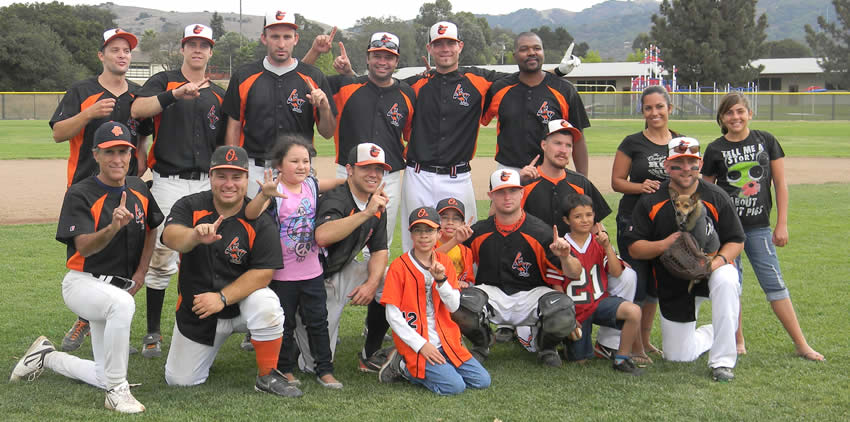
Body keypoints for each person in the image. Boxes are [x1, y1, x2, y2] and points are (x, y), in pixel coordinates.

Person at [10, 121, 162, 414]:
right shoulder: (81, 193)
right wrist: (113, 227)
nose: (117, 159)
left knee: (103, 371)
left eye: (123, 151)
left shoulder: (139, 187)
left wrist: (142, 271)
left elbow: (152, 227)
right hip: (82, 284)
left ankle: (47, 357)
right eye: (109, 152)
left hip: (116, 287)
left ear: (131, 155)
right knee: (121, 305)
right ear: (96, 155)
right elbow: (84, 247)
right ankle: (117, 391)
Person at [399, 22, 580, 252]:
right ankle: (412, 285)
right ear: (430, 48)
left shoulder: (479, 79)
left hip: (458, 176)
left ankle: (461, 287)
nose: (445, 49)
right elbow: (382, 88)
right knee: (416, 239)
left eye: (450, 43)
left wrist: (559, 72)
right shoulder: (415, 83)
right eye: (439, 44)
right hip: (418, 176)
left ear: (460, 46)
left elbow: (523, 76)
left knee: (465, 240)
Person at [161, 145, 301, 398]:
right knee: (179, 381)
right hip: (199, 311)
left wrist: (222, 297)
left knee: (267, 303)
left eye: (236, 177)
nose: (229, 184)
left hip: (240, 307)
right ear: (211, 176)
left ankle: (267, 375)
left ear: (247, 179)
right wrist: (193, 235)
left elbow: (264, 273)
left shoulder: (259, 218)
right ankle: (204, 354)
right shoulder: (190, 205)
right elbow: (170, 237)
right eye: (221, 176)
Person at [50, 28, 153, 352]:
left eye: (126, 50)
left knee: (127, 257)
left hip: (127, 188)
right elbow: (58, 133)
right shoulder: (83, 90)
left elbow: (143, 139)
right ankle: (87, 317)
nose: (122, 55)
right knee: (91, 255)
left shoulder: (137, 95)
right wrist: (88, 113)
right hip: (87, 186)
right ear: (102, 55)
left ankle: (108, 325)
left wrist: (138, 169)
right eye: (115, 49)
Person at [702, 92, 823, 361]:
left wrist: (782, 224)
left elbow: (779, 183)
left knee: (775, 283)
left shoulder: (765, 140)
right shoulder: (715, 149)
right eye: (729, 113)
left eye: (740, 111)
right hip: (727, 232)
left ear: (750, 113)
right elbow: (705, 192)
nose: (736, 117)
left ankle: (801, 344)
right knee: (733, 285)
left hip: (758, 227)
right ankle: (738, 340)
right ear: (721, 117)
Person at [130, 23, 226, 359]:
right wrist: (174, 94)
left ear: (210, 51)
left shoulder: (218, 94)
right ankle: (153, 332)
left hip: (206, 182)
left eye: (204, 45)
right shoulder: (164, 81)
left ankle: (200, 326)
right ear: (183, 49)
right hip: (169, 180)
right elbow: (137, 110)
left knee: (207, 254)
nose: (198, 49)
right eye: (192, 44)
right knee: (161, 255)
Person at [622, 137, 745, 382]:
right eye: (679, 163)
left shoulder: (716, 195)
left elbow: (736, 240)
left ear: (700, 164)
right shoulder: (652, 199)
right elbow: (635, 248)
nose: (686, 169)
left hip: (712, 269)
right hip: (674, 280)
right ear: (667, 166)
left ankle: (722, 362)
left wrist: (714, 263)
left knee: (728, 280)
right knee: (677, 356)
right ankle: (721, 330)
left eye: (692, 162)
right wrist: (665, 244)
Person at [446, 169, 582, 367]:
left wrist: (566, 256)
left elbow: (575, 273)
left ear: (522, 193)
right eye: (501, 192)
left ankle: (546, 348)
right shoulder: (478, 231)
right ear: (491, 196)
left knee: (563, 309)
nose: (507, 197)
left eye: (512, 191)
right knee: (458, 303)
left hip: (532, 295)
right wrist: (452, 244)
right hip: (492, 294)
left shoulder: (540, 231)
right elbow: (441, 260)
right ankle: (482, 343)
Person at [245, 135, 346, 389]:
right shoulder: (272, 189)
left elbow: (327, 183)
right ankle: (285, 368)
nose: (301, 166)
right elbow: (251, 214)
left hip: (311, 270)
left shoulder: (310, 184)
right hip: (282, 273)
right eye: (294, 161)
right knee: (286, 323)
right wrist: (263, 195)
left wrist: (350, 179)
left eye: (306, 161)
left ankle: (325, 369)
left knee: (318, 321)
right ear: (279, 165)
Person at [302, 30, 415, 250]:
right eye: (377, 56)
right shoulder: (345, 86)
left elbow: (410, 135)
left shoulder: (407, 94)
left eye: (388, 57)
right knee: (341, 241)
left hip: (387, 177)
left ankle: (377, 284)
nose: (382, 62)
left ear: (397, 60)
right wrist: (316, 51)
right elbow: (301, 77)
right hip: (348, 173)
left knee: (381, 242)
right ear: (367, 58)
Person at [293, 143, 391, 374]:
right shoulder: (336, 199)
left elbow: (379, 250)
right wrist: (367, 213)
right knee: (312, 366)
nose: (374, 174)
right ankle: (295, 332)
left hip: (342, 272)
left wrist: (371, 283)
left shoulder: (375, 202)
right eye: (367, 168)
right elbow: (323, 236)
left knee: (392, 278)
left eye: (379, 169)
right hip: (313, 282)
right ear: (349, 169)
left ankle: (371, 352)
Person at [222, 9, 336, 198]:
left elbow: (327, 132)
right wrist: (234, 167)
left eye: (287, 36)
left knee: (297, 226)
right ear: (264, 38)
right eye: (275, 36)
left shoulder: (313, 77)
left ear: (296, 39)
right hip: (255, 169)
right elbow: (233, 127)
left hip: (298, 170)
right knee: (251, 224)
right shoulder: (244, 76)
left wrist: (324, 107)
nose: (281, 44)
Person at [377, 207, 491, 395]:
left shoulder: (444, 262)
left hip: (446, 338)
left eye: (429, 230)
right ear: (411, 235)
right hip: (416, 340)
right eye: (418, 230)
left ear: (438, 233)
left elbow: (453, 305)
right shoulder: (399, 266)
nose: (424, 236)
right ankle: (403, 366)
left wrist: (441, 281)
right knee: (455, 386)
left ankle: (439, 368)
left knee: (482, 381)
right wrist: (421, 345)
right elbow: (392, 314)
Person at [611, 85, 680, 360]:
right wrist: (641, 186)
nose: (655, 112)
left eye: (660, 107)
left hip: (666, 224)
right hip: (634, 221)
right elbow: (617, 182)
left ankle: (645, 339)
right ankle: (633, 345)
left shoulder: (680, 142)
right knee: (636, 283)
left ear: (670, 109)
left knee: (654, 286)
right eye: (649, 108)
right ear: (642, 111)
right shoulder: (632, 142)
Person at [481, 32, 590, 175]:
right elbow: (477, 120)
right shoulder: (499, 89)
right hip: (509, 171)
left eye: (537, 48)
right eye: (524, 49)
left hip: (550, 170)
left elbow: (579, 139)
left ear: (543, 52)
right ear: (515, 55)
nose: (531, 52)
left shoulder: (565, 90)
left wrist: (583, 180)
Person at [557, 195, 643, 375]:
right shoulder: (560, 246)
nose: (584, 220)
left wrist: (607, 247)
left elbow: (616, 272)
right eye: (578, 216)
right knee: (579, 360)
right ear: (566, 220)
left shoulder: (598, 242)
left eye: (589, 215)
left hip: (598, 302)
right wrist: (567, 315)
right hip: (576, 309)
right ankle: (564, 343)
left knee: (633, 311)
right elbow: (555, 284)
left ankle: (621, 358)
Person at [434, 197, 475, 288]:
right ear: (436, 222)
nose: (450, 222)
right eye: (444, 218)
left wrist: (466, 283)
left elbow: (469, 280)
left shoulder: (466, 252)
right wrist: (455, 240)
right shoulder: (428, 243)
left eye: (456, 219)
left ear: (463, 224)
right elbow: (428, 261)